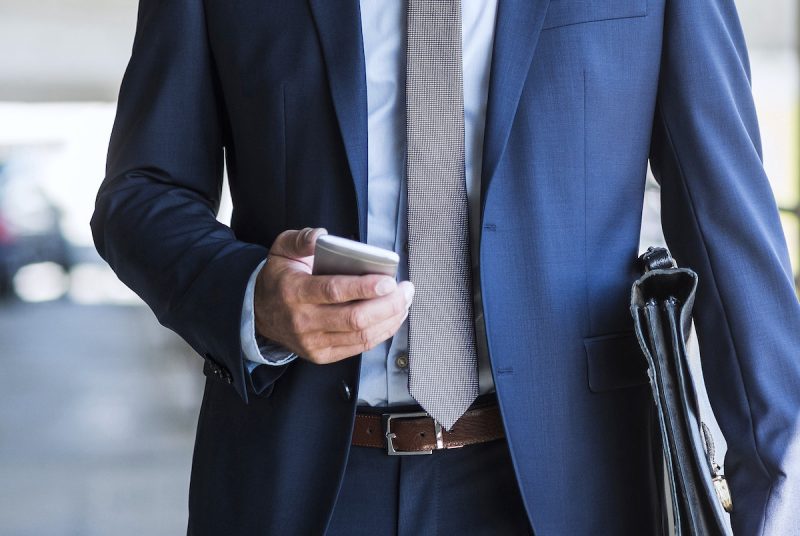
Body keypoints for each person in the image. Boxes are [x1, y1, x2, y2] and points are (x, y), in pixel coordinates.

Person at [91, 0, 800, 534]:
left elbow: (723, 216)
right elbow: (139, 193)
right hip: (298, 480)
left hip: (574, 483)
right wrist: (254, 300)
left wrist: (775, 492)